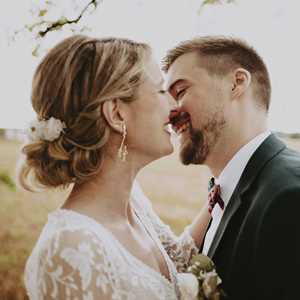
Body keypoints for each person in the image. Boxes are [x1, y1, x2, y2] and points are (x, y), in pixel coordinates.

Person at [19, 35, 211, 300]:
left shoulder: (134, 202)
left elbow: (176, 262)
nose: (173, 104)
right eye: (159, 90)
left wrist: (224, 187)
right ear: (117, 114)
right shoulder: (71, 249)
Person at [163, 36, 300, 300]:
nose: (169, 113)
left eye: (180, 92)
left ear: (236, 83)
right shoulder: (221, 193)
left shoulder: (290, 197)